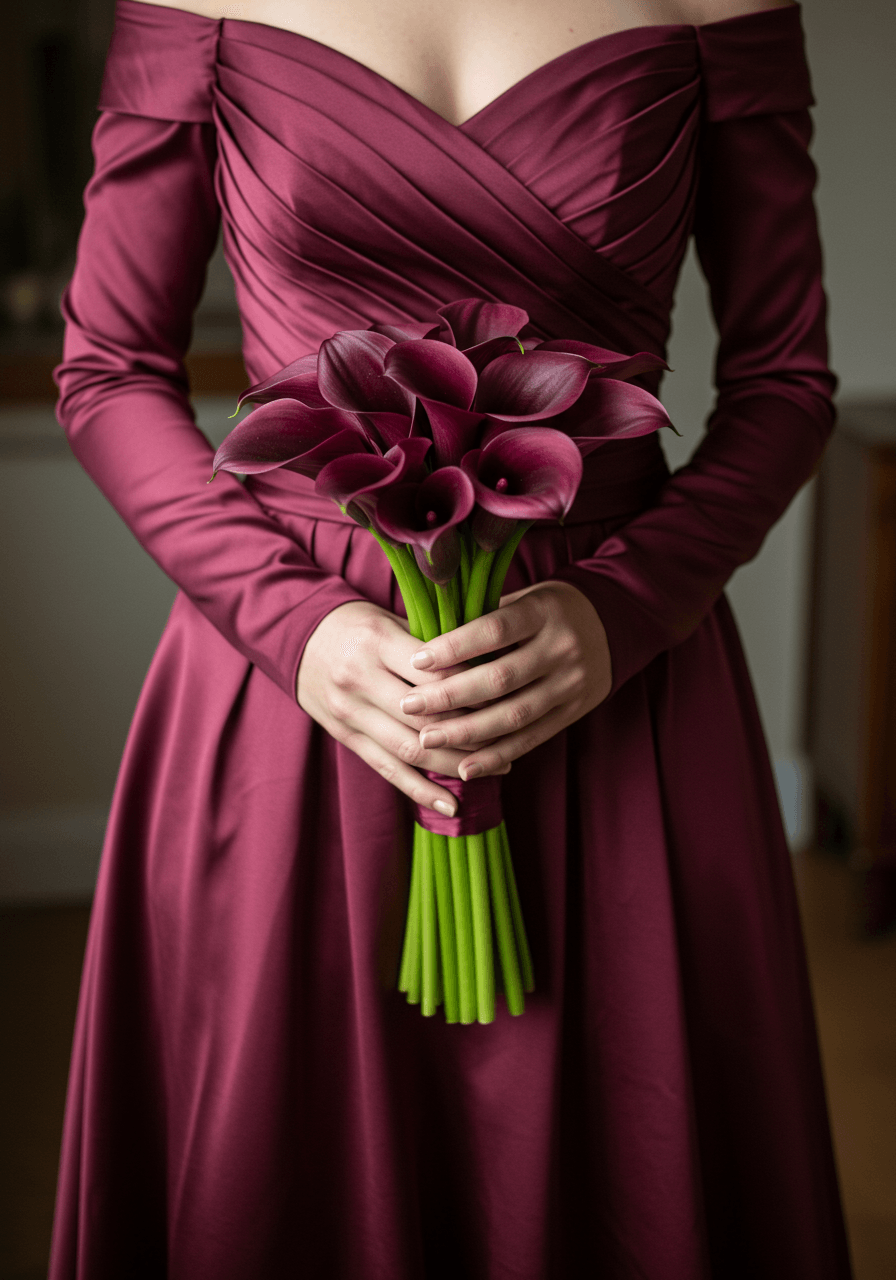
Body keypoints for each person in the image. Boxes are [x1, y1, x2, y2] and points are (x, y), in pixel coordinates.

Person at [49, 0, 854, 1275]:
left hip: (605, 673)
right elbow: (106, 367)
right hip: (302, 678)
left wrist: (622, 605)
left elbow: (783, 381)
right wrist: (295, 627)